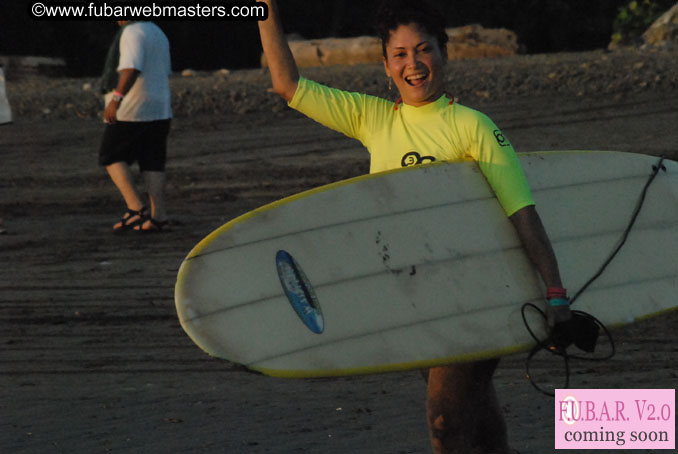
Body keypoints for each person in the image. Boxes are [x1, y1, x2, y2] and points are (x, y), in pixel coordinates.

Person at [258, 1, 572, 452]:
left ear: (444, 53)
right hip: (413, 301)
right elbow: (287, 84)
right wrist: (264, 11)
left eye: (423, 50)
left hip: (476, 296)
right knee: (476, 416)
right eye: (400, 54)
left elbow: (522, 212)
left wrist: (556, 293)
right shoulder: (374, 120)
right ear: (385, 66)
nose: (413, 64)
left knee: (445, 422)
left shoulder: (473, 127)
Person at [99, 20, 172, 233]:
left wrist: (116, 99)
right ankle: (159, 217)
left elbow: (131, 68)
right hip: (160, 107)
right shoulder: (157, 30)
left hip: (134, 108)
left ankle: (136, 208)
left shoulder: (132, 32)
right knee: (152, 162)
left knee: (110, 155)